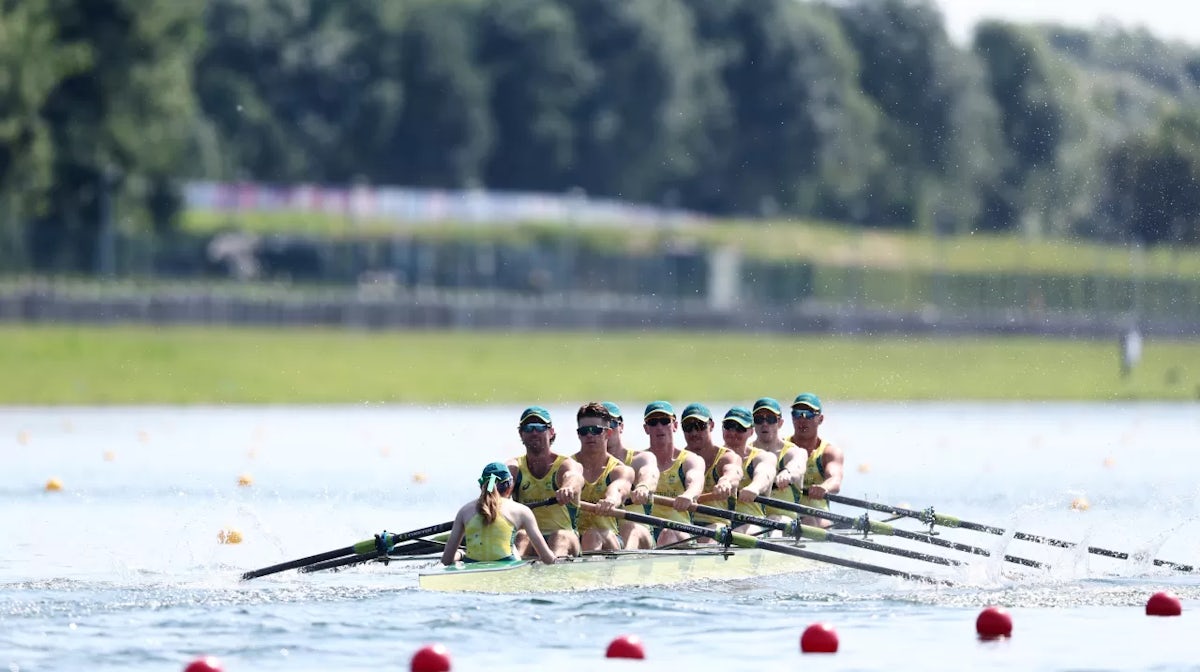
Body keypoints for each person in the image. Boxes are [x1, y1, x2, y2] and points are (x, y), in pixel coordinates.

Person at [442, 461, 557, 565]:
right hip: (507, 572)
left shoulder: (464, 511)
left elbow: (446, 560)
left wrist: (461, 554)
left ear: (482, 486)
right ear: (510, 486)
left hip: (472, 571)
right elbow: (547, 558)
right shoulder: (522, 511)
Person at [507, 406, 585, 557]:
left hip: (566, 538)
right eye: (529, 428)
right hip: (529, 538)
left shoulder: (565, 464)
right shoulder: (514, 466)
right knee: (521, 536)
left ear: (551, 432)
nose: (534, 432)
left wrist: (568, 488)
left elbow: (575, 477)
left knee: (560, 536)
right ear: (521, 434)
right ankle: (514, 574)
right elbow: (500, 481)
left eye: (540, 427)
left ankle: (550, 574)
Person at [640, 400, 705, 547]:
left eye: (665, 421)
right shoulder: (639, 460)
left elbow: (696, 481)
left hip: (680, 530)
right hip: (648, 530)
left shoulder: (690, 460)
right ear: (646, 428)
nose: (659, 427)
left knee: (668, 532)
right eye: (653, 422)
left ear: (675, 426)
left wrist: (689, 495)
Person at [572, 402, 635, 551]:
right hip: (573, 538)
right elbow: (569, 477)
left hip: (609, 538)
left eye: (595, 430)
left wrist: (611, 500)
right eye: (584, 431)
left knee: (592, 535)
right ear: (578, 434)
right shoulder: (568, 466)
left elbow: (619, 488)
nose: (589, 435)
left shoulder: (620, 470)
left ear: (608, 433)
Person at [603, 401, 658, 550]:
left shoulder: (640, 458)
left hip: (638, 531)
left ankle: (623, 569)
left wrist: (643, 486)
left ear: (621, 426)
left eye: (612, 424)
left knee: (628, 528)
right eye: (602, 426)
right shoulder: (581, 464)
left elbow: (650, 473)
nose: (607, 430)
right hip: (603, 533)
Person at [678, 403, 741, 532]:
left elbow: (733, 472)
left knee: (709, 534)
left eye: (700, 426)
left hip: (717, 526)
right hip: (684, 527)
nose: (694, 432)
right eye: (688, 427)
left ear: (711, 426)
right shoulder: (679, 460)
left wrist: (725, 482)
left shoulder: (726, 457)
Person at [788, 393, 845, 529]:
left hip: (818, 515)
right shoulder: (782, 448)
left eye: (808, 414)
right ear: (792, 418)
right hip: (786, 512)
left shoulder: (829, 452)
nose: (802, 419)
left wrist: (824, 487)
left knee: (814, 521)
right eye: (797, 413)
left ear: (820, 419)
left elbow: (835, 480)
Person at [720, 406, 777, 534]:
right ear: (722, 429)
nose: (733, 432)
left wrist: (754, 488)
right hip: (719, 523)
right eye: (729, 426)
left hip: (752, 523)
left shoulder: (762, 457)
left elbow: (765, 474)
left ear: (751, 432)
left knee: (742, 532)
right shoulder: (714, 456)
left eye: (740, 428)